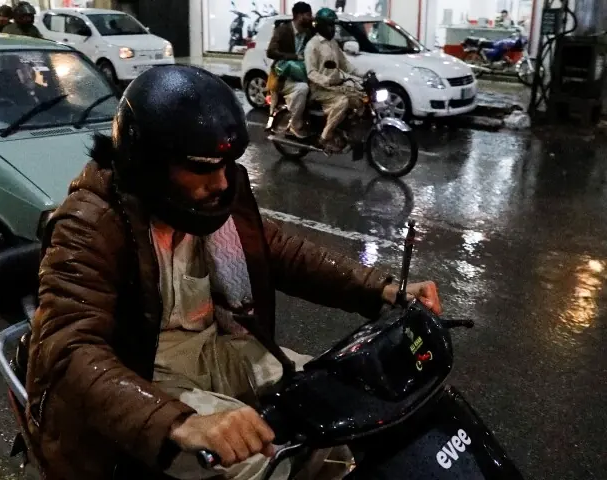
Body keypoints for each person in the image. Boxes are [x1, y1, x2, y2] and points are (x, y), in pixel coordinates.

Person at [24, 65, 443, 480]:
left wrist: (384, 290)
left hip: (214, 347)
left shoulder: (214, 200)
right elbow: (67, 347)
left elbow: (280, 251)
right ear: (151, 162)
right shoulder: (91, 222)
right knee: (259, 461)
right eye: (204, 167)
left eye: (227, 165)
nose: (223, 182)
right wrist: (180, 422)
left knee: (334, 408)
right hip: (139, 371)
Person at [304, 8, 365, 153]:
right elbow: (311, 72)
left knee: (360, 97)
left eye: (333, 25)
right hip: (319, 89)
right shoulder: (312, 45)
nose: (333, 29)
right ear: (320, 26)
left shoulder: (332, 43)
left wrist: (363, 75)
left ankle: (346, 128)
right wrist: (327, 81)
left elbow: (345, 64)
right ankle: (324, 137)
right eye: (329, 25)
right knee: (342, 102)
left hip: (336, 86)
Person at [266, 1, 313, 138]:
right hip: (284, 76)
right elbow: (271, 52)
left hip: (302, 72)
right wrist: (294, 57)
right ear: (299, 16)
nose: (311, 18)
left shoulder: (308, 33)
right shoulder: (282, 30)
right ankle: (294, 124)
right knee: (303, 88)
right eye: (308, 15)